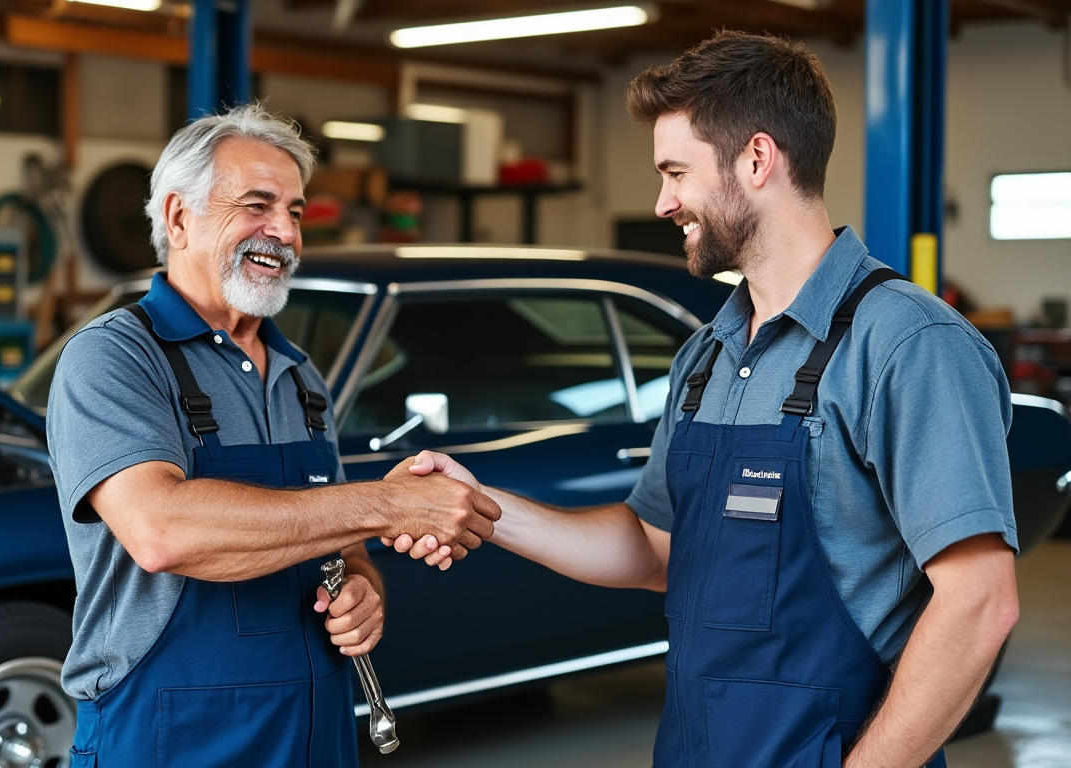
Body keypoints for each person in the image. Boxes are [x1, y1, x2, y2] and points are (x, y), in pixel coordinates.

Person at [395, 31, 1019, 768]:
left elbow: (979, 602)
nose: (662, 202)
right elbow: (657, 547)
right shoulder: (708, 355)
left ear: (757, 160)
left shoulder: (907, 345)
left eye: (675, 172)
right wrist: (485, 509)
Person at [47, 103, 500, 768]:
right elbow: (162, 531)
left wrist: (365, 591)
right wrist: (388, 504)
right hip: (171, 735)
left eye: (295, 212)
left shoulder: (300, 376)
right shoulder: (114, 358)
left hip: (312, 726)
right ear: (178, 218)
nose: (284, 232)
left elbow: (340, 544)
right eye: (258, 206)